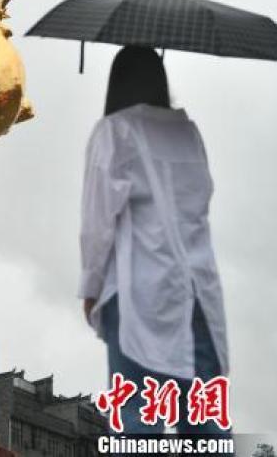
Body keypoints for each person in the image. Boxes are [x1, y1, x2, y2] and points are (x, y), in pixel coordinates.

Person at [78, 45, 230, 434]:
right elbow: (201, 201)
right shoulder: (188, 132)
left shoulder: (116, 130)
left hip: (137, 291)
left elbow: (98, 221)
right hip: (197, 292)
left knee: (136, 418)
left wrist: (91, 287)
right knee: (204, 422)